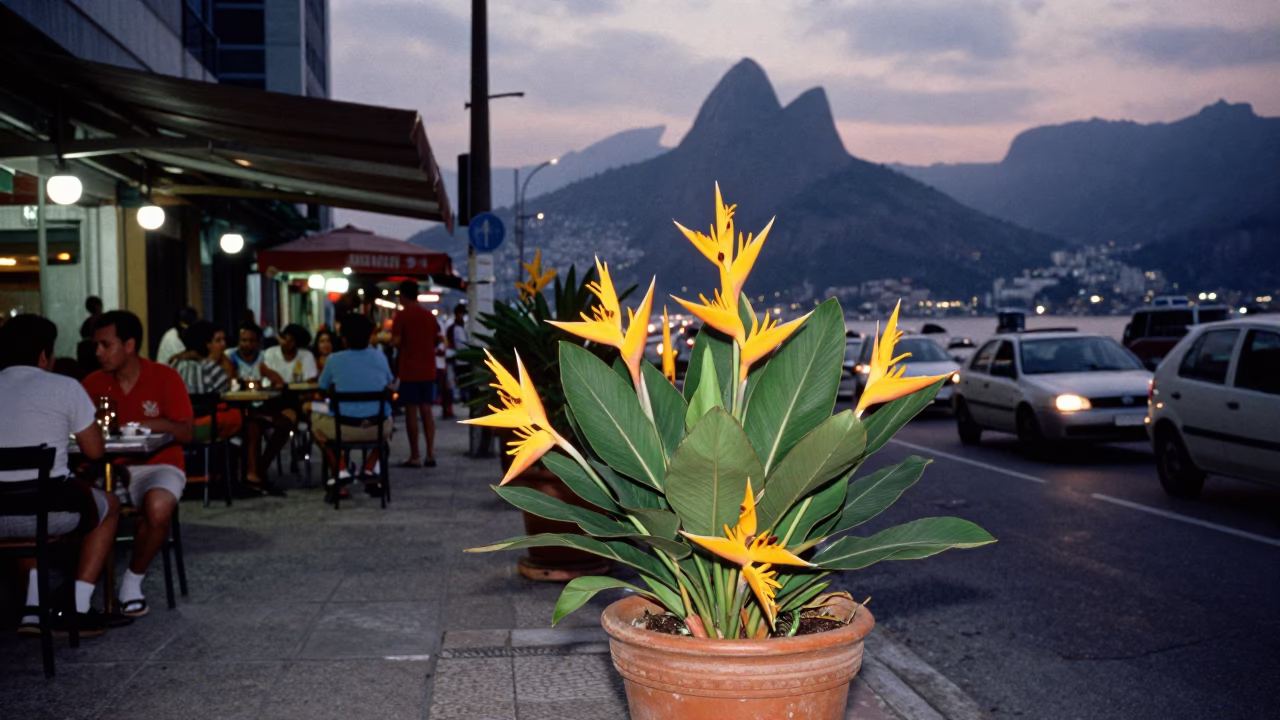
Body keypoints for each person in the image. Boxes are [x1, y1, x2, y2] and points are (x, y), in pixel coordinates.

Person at [0, 315, 121, 637]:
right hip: (49, 510)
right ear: (44, 354)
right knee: (109, 504)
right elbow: (95, 452)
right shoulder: (65, 386)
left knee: (17, 501)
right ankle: (78, 607)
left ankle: (32, 608)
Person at [82, 311, 193, 618]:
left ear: (129, 345)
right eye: (97, 346)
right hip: (106, 468)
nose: (98, 353)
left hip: (158, 464)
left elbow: (186, 432)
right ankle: (79, 595)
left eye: (106, 345)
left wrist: (146, 422)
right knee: (76, 504)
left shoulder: (164, 377)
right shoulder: (92, 383)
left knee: (157, 508)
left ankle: (132, 582)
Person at [313, 313, 394, 497]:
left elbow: (322, 387)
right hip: (377, 426)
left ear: (343, 338)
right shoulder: (380, 357)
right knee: (386, 425)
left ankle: (340, 468)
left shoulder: (334, 360)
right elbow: (390, 382)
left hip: (343, 426)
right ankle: (370, 466)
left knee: (314, 413)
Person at [390, 280, 441, 468]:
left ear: (402, 296)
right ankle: (431, 453)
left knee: (412, 412)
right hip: (429, 369)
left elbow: (396, 341)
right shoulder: (428, 316)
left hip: (410, 371)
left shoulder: (401, 316)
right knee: (427, 411)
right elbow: (438, 338)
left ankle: (415, 455)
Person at [170, 320, 242, 441]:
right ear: (206, 344)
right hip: (203, 426)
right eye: (217, 340)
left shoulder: (174, 364)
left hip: (175, 425)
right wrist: (223, 361)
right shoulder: (211, 369)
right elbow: (228, 387)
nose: (224, 345)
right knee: (238, 416)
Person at [444, 302, 469, 414]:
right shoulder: (453, 327)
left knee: (463, 380)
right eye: (461, 314)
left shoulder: (465, 326)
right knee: (457, 380)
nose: (462, 316)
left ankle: (463, 397)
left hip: (464, 359)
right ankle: (459, 398)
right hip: (457, 359)